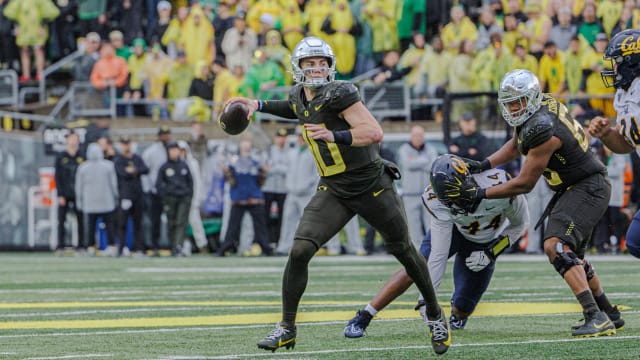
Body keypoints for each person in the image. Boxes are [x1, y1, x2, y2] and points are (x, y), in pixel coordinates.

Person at [226, 36, 449, 355]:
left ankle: (434, 313)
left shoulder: (341, 93)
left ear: (331, 67)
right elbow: (293, 108)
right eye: (310, 64)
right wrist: (255, 105)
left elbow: (373, 132)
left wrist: (335, 135)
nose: (316, 69)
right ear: (298, 68)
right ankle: (287, 327)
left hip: (371, 185)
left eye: (322, 63)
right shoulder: (299, 95)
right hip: (334, 187)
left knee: (404, 250)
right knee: (300, 250)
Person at [456, 68, 624, 337]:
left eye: (517, 102)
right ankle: (609, 313)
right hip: (580, 185)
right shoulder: (537, 110)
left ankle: (595, 315)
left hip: (587, 186)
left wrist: (478, 193)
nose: (512, 108)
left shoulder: (544, 130)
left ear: (531, 98)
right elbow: (517, 143)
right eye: (509, 103)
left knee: (555, 246)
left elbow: (524, 183)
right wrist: (484, 165)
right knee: (574, 256)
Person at [344, 154, 528, 337]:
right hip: (455, 231)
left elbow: (520, 224)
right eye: (449, 200)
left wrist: (491, 252)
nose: (455, 204)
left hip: (485, 242)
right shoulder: (435, 200)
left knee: (463, 308)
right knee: (416, 265)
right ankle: (364, 316)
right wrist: (427, 301)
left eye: (456, 197)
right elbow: (437, 256)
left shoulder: (500, 186)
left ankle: (458, 313)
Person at [588, 28, 640, 259]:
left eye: (617, 62)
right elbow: (627, 143)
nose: (613, 69)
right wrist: (606, 134)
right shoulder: (624, 93)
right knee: (636, 241)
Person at [75, 143, 119, 255]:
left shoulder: (83, 167)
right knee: (108, 225)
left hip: (90, 202)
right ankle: (111, 245)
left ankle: (90, 246)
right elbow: (114, 184)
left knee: (91, 226)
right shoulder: (108, 165)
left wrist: (79, 200)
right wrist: (116, 197)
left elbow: (78, 187)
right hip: (106, 200)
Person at [113, 136, 149, 256]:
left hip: (138, 195)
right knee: (122, 224)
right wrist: (132, 171)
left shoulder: (137, 158)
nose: (126, 146)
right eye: (124, 144)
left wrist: (134, 170)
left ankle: (138, 248)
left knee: (138, 223)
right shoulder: (118, 159)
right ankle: (121, 248)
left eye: (127, 143)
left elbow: (145, 169)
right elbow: (122, 172)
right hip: (125, 195)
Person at [156, 141, 193, 256]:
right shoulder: (164, 167)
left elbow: (190, 182)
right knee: (171, 223)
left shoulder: (184, 165)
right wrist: (165, 196)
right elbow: (159, 185)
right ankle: (173, 246)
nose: (174, 152)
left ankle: (178, 246)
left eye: (176, 150)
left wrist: (189, 195)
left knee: (181, 222)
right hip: (170, 199)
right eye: (172, 150)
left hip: (183, 198)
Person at [54, 131, 84, 254]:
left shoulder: (82, 156)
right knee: (61, 221)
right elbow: (58, 176)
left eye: (75, 138)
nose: (73, 141)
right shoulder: (61, 156)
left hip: (78, 194)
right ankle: (60, 245)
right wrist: (60, 194)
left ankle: (81, 245)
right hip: (65, 194)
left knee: (81, 220)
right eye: (71, 139)